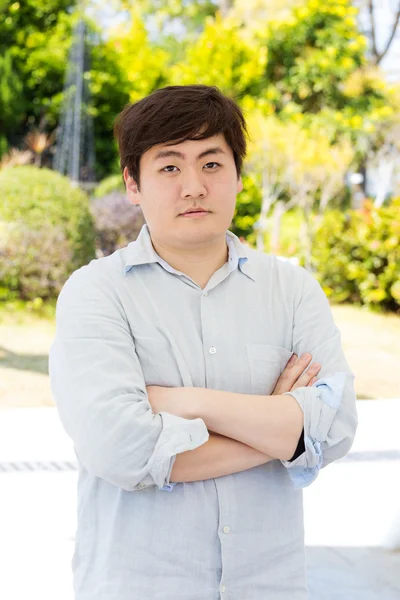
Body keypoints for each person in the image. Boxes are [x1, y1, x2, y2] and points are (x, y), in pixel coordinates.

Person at [48, 84, 358, 599]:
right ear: (133, 183)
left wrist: (184, 403)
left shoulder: (291, 289)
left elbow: (338, 426)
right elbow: (121, 451)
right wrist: (282, 427)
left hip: (270, 585)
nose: (193, 186)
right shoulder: (95, 293)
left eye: (211, 164)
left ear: (238, 176)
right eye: (169, 167)